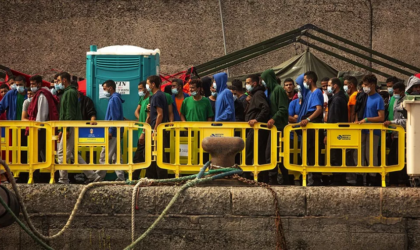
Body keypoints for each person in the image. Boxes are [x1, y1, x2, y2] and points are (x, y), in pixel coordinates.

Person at [56, 72, 101, 184]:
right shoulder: (69, 92)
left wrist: (65, 129)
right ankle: (93, 176)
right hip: (70, 127)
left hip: (69, 127)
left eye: (58, 80)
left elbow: (69, 113)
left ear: (64, 80)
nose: (57, 83)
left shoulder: (69, 93)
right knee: (73, 154)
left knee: (62, 154)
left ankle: (63, 179)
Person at [261, 69, 288, 185]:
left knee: (270, 153)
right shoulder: (271, 91)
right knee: (277, 154)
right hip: (273, 127)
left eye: (264, 80)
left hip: (278, 126)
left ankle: (273, 179)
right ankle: (285, 178)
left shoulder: (278, 90)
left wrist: (273, 119)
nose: (263, 82)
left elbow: (283, 108)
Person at [357, 74, 385, 185]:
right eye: (363, 85)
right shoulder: (364, 96)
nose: (364, 87)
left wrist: (367, 119)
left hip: (373, 131)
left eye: (366, 85)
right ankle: (361, 178)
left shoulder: (378, 99)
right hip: (362, 129)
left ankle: (372, 178)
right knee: (360, 154)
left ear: (373, 85)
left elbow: (381, 117)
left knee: (371, 155)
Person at [95, 80, 126, 181]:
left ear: (110, 88)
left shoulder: (113, 99)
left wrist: (110, 131)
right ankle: (121, 177)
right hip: (117, 132)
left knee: (105, 155)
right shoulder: (116, 98)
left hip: (113, 132)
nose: (104, 90)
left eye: (104, 88)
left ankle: (98, 177)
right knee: (117, 157)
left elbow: (115, 118)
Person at [27, 75, 59, 169]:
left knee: (37, 152)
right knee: (45, 152)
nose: (31, 86)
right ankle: (52, 174)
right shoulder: (41, 94)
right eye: (31, 84)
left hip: (41, 129)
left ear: (39, 84)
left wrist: (38, 127)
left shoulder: (42, 95)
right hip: (42, 128)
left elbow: (42, 113)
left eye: (33, 84)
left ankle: (37, 175)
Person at [298, 71, 324, 185]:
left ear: (310, 80)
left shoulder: (317, 92)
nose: (304, 82)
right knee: (307, 151)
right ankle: (310, 177)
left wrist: (308, 119)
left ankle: (315, 178)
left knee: (312, 151)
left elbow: (318, 109)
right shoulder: (309, 93)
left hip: (313, 122)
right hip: (308, 121)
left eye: (305, 80)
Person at [244, 74, 270, 181]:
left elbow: (265, 108)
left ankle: (253, 177)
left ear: (254, 83)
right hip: (254, 129)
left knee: (252, 152)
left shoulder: (258, 94)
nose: (246, 86)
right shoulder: (256, 95)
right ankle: (260, 177)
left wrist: (256, 119)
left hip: (256, 129)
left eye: (248, 83)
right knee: (256, 153)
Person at [323, 78, 348, 185]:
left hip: (335, 132)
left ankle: (337, 179)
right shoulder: (341, 97)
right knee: (339, 155)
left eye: (329, 85)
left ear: (335, 86)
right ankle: (339, 178)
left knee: (335, 156)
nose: (328, 87)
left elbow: (334, 118)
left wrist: (328, 133)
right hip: (340, 132)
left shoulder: (337, 100)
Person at [384, 82, 407, 186]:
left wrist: (392, 123)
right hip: (396, 133)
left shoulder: (406, 102)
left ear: (402, 91)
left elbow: (406, 120)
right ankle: (394, 180)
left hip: (404, 134)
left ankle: (401, 181)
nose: (394, 94)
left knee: (400, 157)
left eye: (396, 92)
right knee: (393, 157)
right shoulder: (396, 100)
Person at [147, 75, 169, 179]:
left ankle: (160, 178)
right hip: (158, 129)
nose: (147, 86)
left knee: (158, 154)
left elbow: (160, 114)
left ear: (153, 84)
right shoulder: (159, 95)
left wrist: (155, 130)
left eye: (148, 84)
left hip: (157, 130)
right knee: (155, 154)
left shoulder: (157, 96)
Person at [132, 81, 151, 180]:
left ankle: (135, 177)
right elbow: (136, 111)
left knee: (140, 156)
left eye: (141, 89)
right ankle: (137, 177)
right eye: (138, 89)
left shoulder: (150, 99)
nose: (139, 91)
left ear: (146, 88)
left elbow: (149, 116)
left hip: (146, 133)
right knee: (140, 156)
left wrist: (144, 132)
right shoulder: (142, 99)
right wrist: (141, 119)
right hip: (142, 132)